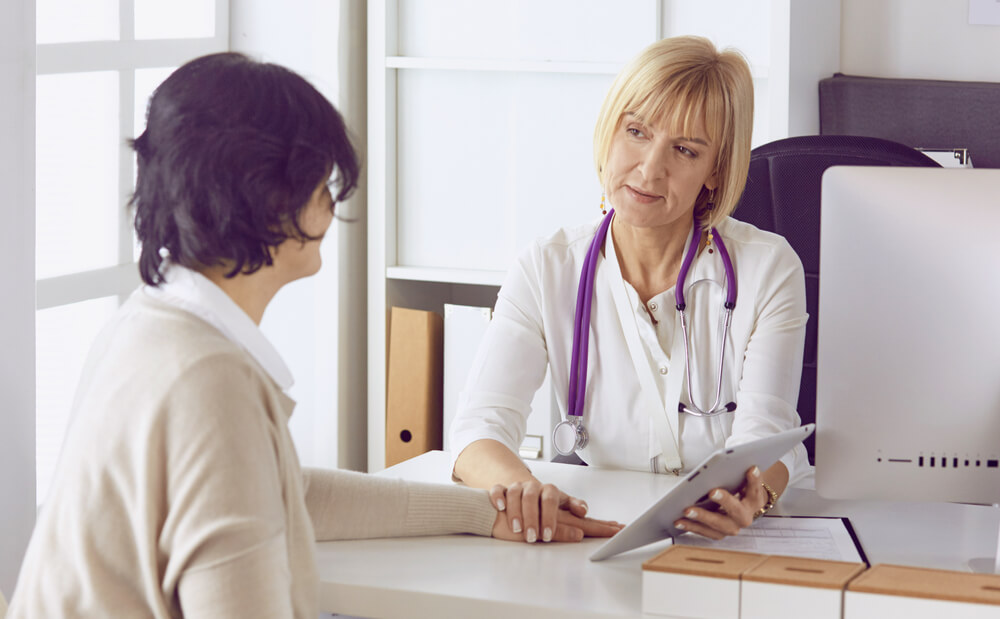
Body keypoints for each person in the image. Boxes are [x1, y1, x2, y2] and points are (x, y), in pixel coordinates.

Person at [8, 53, 622, 618]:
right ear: (268, 196)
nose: (331, 202)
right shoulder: (210, 383)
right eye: (322, 180)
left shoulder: (152, 325)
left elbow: (286, 494)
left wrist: (484, 513)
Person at [450, 36, 809, 543]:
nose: (649, 168)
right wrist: (524, 490)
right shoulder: (547, 268)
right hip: (609, 531)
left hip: (747, 536)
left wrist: (752, 497)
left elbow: (766, 441)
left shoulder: (768, 270)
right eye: (636, 131)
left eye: (685, 150)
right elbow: (477, 431)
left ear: (715, 172)